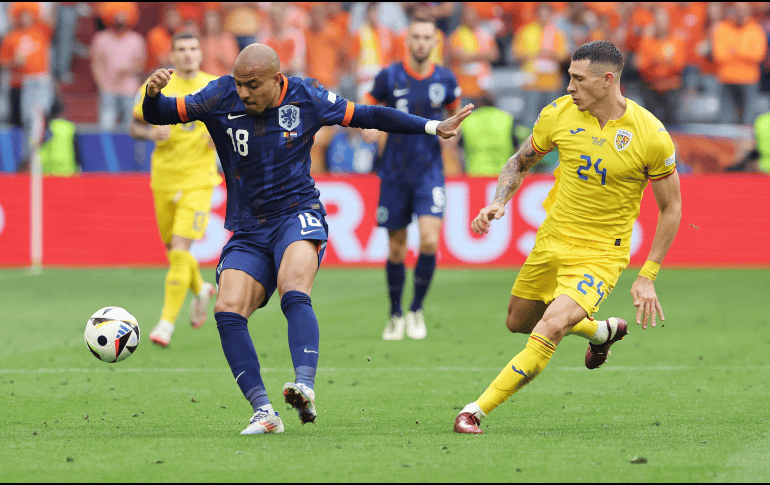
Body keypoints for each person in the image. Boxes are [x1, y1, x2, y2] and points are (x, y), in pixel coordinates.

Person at [141, 43, 472, 435]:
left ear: (276, 80)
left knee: (293, 286)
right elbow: (160, 113)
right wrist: (152, 94)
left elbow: (367, 114)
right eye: (239, 84)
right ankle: (264, 412)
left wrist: (432, 126)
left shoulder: (307, 96)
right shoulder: (219, 95)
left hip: (298, 214)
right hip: (248, 227)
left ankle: (305, 385)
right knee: (227, 309)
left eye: (252, 85)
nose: (244, 92)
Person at [453, 40, 682, 434]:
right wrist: (498, 202)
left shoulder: (650, 135)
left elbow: (671, 208)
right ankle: (601, 331)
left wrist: (648, 274)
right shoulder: (558, 114)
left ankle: (474, 411)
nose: (569, 86)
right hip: (552, 240)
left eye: (577, 79)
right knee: (518, 321)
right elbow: (519, 161)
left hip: (600, 254)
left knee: (551, 327)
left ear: (607, 80)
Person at [362, 16, 461, 341]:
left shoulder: (445, 78)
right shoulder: (389, 75)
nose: (421, 43)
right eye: (416, 37)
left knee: (430, 240)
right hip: (394, 171)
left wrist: (455, 132)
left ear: (435, 42)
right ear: (408, 41)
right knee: (396, 248)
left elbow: (455, 112)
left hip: (429, 171)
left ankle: (416, 309)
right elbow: (369, 104)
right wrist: (366, 127)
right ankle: (394, 314)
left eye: (426, 37)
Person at [130, 32, 220, 348]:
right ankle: (201, 289)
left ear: (200, 52)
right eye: (181, 49)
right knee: (173, 253)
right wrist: (151, 133)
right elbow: (133, 126)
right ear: (172, 55)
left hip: (199, 180)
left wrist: (220, 139)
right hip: (164, 180)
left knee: (180, 250)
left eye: (193, 48)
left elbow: (238, 124)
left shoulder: (215, 86)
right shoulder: (156, 86)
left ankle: (165, 324)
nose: (187, 54)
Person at [90, 3, 145, 132]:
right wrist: (101, 85)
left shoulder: (136, 40)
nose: (120, 18)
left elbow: (140, 66)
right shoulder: (101, 39)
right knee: (105, 126)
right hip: (107, 89)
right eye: (117, 14)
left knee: (129, 127)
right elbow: (96, 63)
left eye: (124, 14)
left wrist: (127, 70)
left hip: (129, 90)